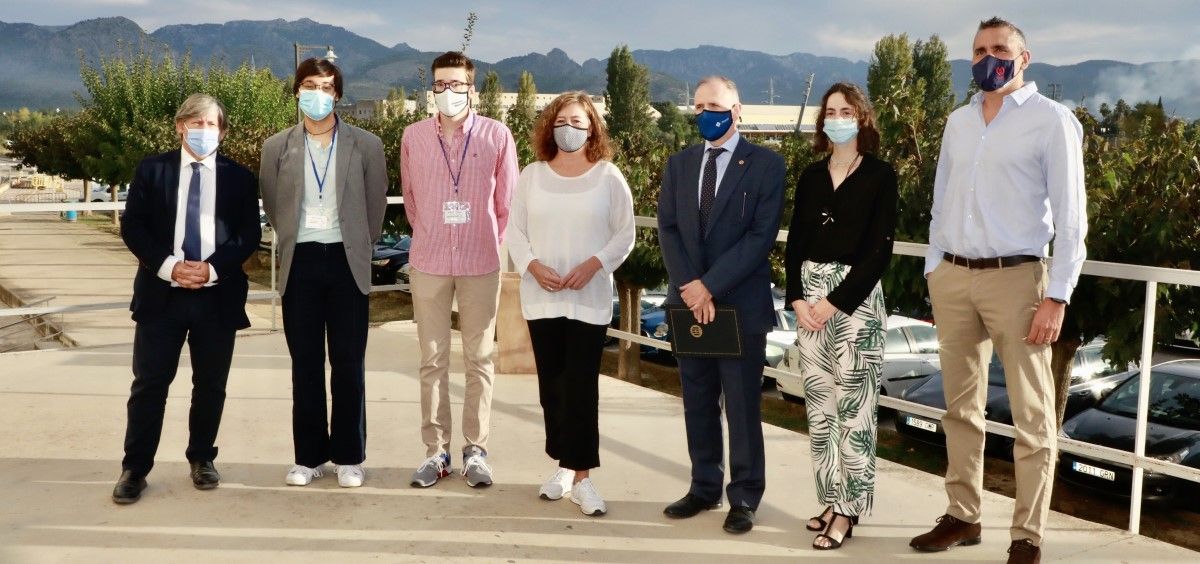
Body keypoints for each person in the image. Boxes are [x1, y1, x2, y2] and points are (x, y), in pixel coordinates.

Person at [909, 17, 1087, 564]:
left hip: (1018, 281)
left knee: (1032, 418)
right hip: (954, 277)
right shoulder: (958, 121)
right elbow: (941, 200)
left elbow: (1072, 219)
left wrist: (1057, 295)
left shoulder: (1052, 120)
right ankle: (963, 515)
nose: (989, 58)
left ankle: (1027, 537)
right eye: (980, 50)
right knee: (960, 409)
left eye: (1001, 49)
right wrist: (935, 269)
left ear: (1024, 58)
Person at [112, 93, 260, 504]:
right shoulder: (152, 170)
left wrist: (211, 269)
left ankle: (202, 458)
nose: (203, 130)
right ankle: (135, 469)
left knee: (211, 385)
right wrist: (169, 266)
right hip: (161, 295)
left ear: (223, 132)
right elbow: (133, 226)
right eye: (196, 123)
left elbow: (248, 233)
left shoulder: (240, 177)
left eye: (211, 124)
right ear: (180, 126)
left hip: (217, 296)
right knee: (149, 385)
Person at [657, 76, 786, 534]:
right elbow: (668, 229)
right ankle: (703, 487)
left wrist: (708, 286)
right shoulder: (679, 164)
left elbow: (760, 236)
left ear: (737, 109)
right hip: (689, 304)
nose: (705, 113)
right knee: (697, 401)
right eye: (698, 106)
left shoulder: (767, 165)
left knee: (743, 406)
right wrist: (691, 288)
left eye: (714, 105)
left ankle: (744, 497)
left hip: (739, 306)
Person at [259, 58, 388, 489]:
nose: (319, 93)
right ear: (297, 90)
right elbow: (274, 204)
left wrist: (357, 242)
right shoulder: (276, 147)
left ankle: (350, 456)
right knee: (306, 363)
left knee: (349, 362)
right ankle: (309, 456)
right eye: (311, 85)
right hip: (301, 262)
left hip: (347, 261)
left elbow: (375, 207)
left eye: (327, 87)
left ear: (338, 95)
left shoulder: (366, 144)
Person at [506, 92, 635, 516]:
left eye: (578, 122)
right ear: (550, 125)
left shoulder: (608, 177)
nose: (569, 128)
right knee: (552, 388)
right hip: (541, 299)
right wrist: (532, 265)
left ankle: (582, 478)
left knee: (581, 388)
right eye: (562, 120)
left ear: (593, 128)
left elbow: (625, 234)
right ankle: (563, 466)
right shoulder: (532, 175)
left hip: (588, 301)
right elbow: (515, 232)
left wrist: (594, 265)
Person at [784, 82, 897, 550]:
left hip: (856, 302)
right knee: (821, 410)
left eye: (845, 111)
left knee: (855, 411)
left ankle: (849, 511)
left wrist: (834, 302)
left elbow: (879, 251)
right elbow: (794, 242)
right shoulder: (811, 176)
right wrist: (796, 299)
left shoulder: (881, 175)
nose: (837, 118)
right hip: (808, 299)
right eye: (830, 111)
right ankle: (830, 500)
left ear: (861, 118)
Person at [401, 51, 518, 488]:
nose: (447, 91)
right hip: (429, 261)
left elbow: (507, 204)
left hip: (480, 262)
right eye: (440, 84)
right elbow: (412, 201)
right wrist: (434, 232)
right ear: (432, 88)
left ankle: (476, 451)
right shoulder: (413, 136)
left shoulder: (496, 135)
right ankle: (436, 452)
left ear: (473, 88)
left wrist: (484, 239)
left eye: (456, 84)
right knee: (431, 360)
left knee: (479, 359)